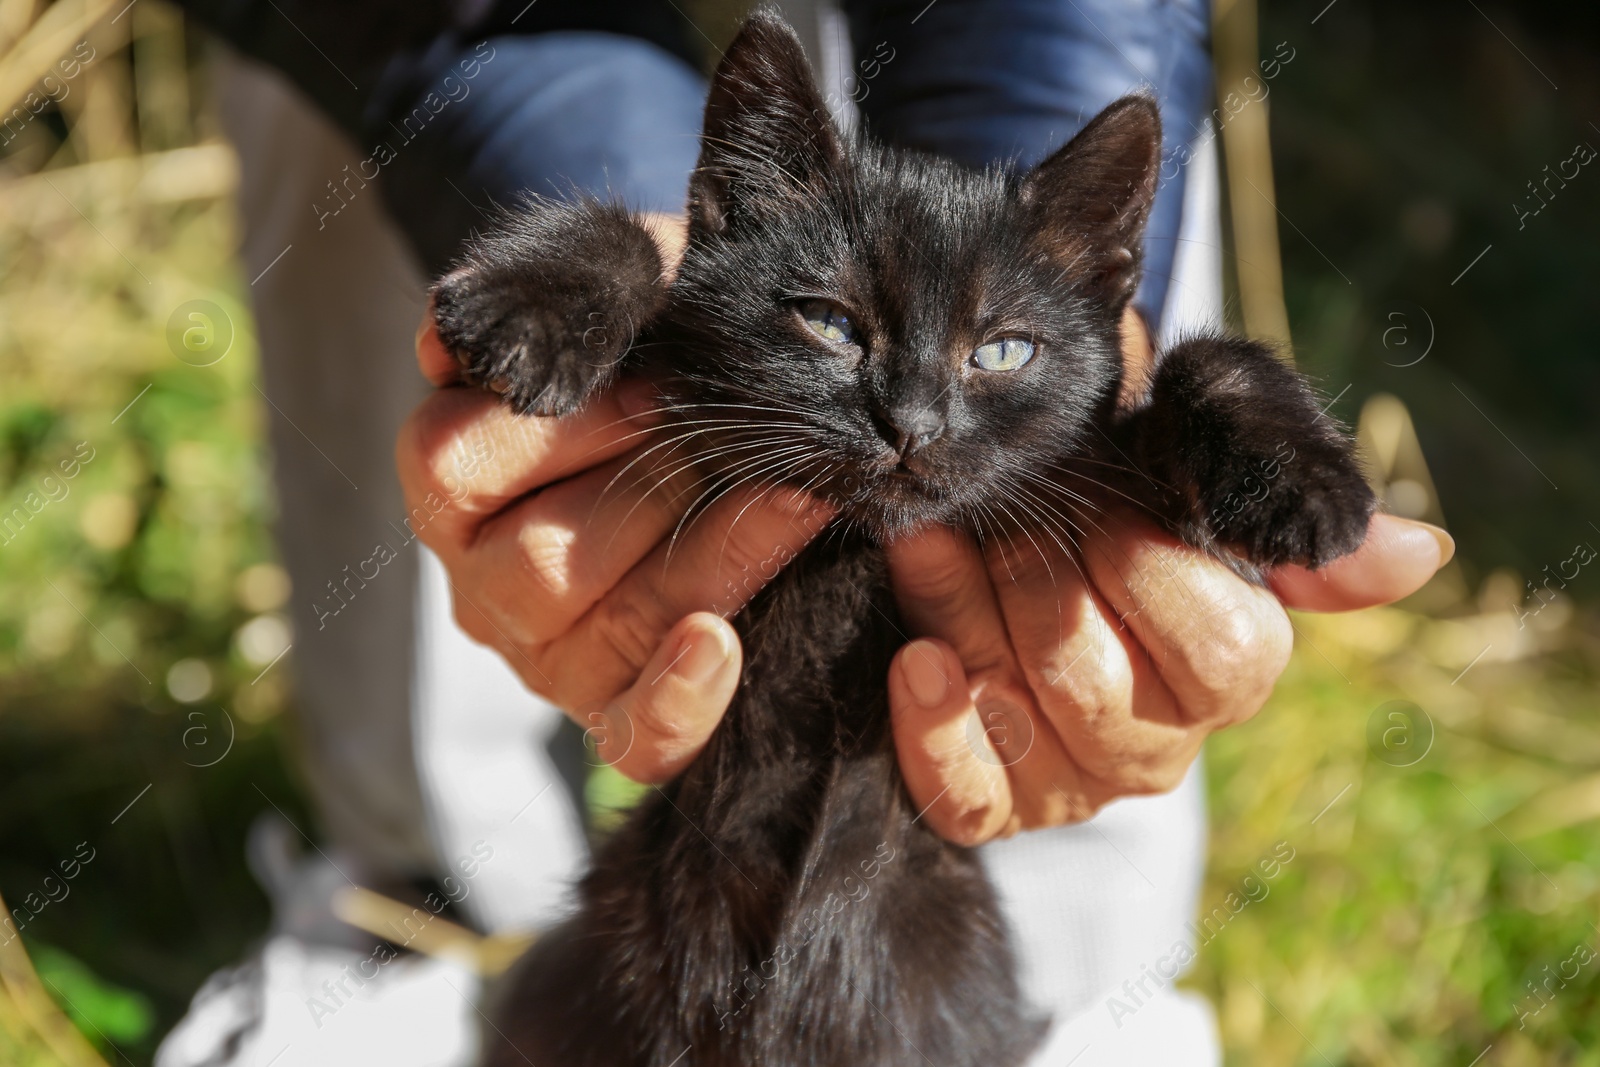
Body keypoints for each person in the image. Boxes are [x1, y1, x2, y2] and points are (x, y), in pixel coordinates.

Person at [158, 1, 1452, 1064]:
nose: (911, 423)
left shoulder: (1042, 385)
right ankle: (411, 914)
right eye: (842, 332)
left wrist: (1204, 396)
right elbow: (664, 244)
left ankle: (1095, 982)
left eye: (993, 354)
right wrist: (613, 265)